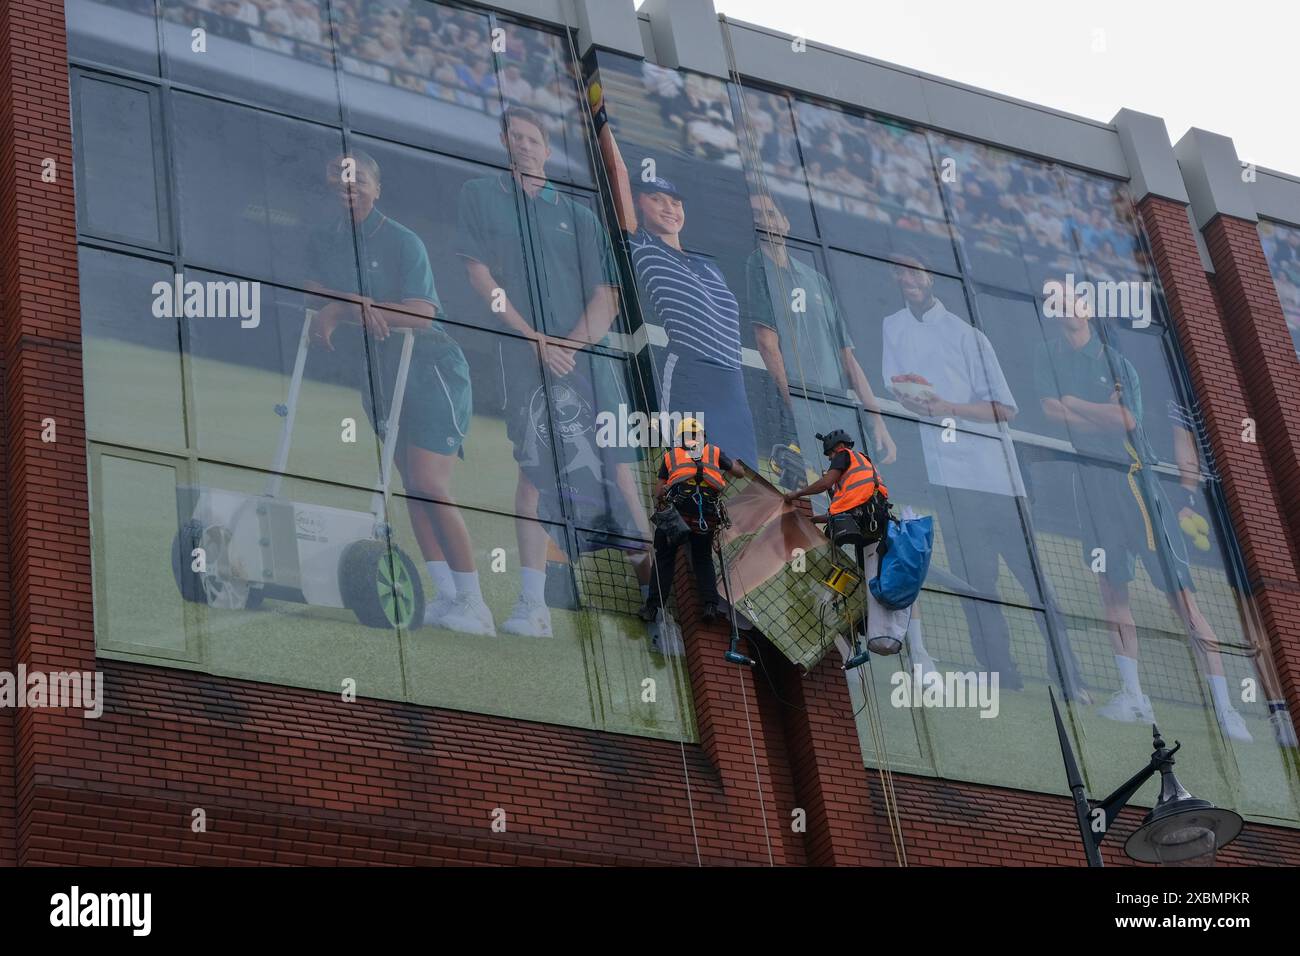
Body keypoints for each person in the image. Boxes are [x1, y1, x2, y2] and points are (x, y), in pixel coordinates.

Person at [456, 105, 652, 638]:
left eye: (533, 138)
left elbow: (608, 296)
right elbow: (481, 278)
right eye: (514, 136)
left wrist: (564, 344)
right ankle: (532, 608)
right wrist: (533, 338)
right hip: (524, 364)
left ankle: (654, 607)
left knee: (618, 479)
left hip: (587, 367)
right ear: (503, 141)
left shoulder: (580, 216)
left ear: (546, 149)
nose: (523, 145)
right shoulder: (479, 196)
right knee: (532, 477)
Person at [1033, 285, 1252, 740]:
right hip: (1093, 486)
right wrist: (1089, 411)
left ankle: (1227, 707)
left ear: (1087, 307)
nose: (1061, 306)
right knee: (1112, 593)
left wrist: (1075, 406)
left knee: (1182, 599)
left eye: (1069, 298)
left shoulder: (1115, 361)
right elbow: (1048, 411)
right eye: (1052, 300)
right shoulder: (1047, 354)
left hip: (1135, 485)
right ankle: (1133, 695)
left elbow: (1126, 421)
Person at [880, 251, 1089, 697]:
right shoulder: (892, 327)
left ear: (930, 275)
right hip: (950, 484)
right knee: (977, 588)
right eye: (899, 272)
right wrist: (914, 401)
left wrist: (949, 408)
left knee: (1036, 588)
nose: (906, 278)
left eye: (913, 269)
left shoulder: (969, 336)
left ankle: (1070, 679)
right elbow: (896, 389)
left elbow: (1004, 408)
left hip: (1000, 483)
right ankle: (1002, 677)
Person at [306, 149, 493, 634]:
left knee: (430, 484)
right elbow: (313, 290)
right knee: (411, 486)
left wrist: (350, 309)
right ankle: (446, 597)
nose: (348, 185)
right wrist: (351, 303)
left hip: (431, 369)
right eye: (339, 174)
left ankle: (476, 604)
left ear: (377, 187)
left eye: (359, 178)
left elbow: (422, 313)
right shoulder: (325, 236)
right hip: (381, 374)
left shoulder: (402, 240)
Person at [589, 84, 760, 468]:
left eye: (675, 202)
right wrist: (601, 117)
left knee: (745, 487)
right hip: (689, 378)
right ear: (639, 205)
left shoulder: (708, 264)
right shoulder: (645, 248)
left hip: (732, 386)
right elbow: (617, 173)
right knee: (692, 477)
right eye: (656, 199)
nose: (669, 208)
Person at [745, 191, 897, 472]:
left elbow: (847, 356)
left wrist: (878, 419)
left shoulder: (816, 280)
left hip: (838, 409)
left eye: (769, 213)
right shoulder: (757, 267)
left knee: (854, 495)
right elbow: (767, 344)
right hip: (798, 409)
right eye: (756, 215)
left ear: (785, 222)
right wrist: (798, 409)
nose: (764, 221)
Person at [782, 429, 909, 662]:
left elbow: (826, 483)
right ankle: (861, 623)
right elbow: (846, 505)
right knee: (865, 575)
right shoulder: (864, 463)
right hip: (874, 522)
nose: (831, 460)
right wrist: (814, 520)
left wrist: (796, 494)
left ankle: (831, 598)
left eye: (830, 455)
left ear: (836, 448)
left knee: (833, 560)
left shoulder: (844, 455)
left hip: (861, 519)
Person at [639, 418, 745, 626]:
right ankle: (709, 606)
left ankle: (652, 608)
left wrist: (668, 489)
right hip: (705, 514)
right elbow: (739, 473)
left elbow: (658, 492)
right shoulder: (714, 452)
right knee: (703, 559)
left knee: (664, 559)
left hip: (679, 511)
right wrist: (734, 466)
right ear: (702, 436)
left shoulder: (672, 456)